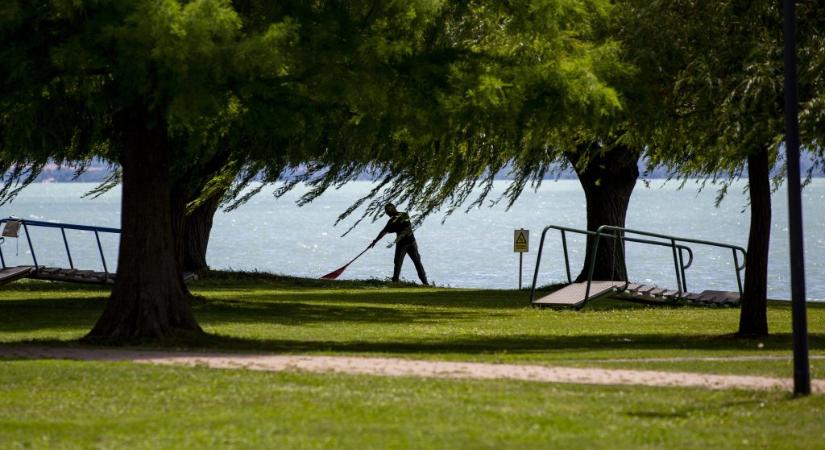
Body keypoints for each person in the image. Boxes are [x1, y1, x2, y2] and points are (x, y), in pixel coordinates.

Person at [370, 203, 429, 285]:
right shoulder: (403, 215)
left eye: (387, 212)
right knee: (414, 262)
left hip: (404, 244)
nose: (386, 214)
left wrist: (376, 241)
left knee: (400, 263)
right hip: (411, 242)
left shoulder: (398, 218)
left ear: (391, 210)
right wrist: (375, 241)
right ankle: (424, 283)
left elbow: (390, 230)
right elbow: (384, 231)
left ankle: (396, 281)